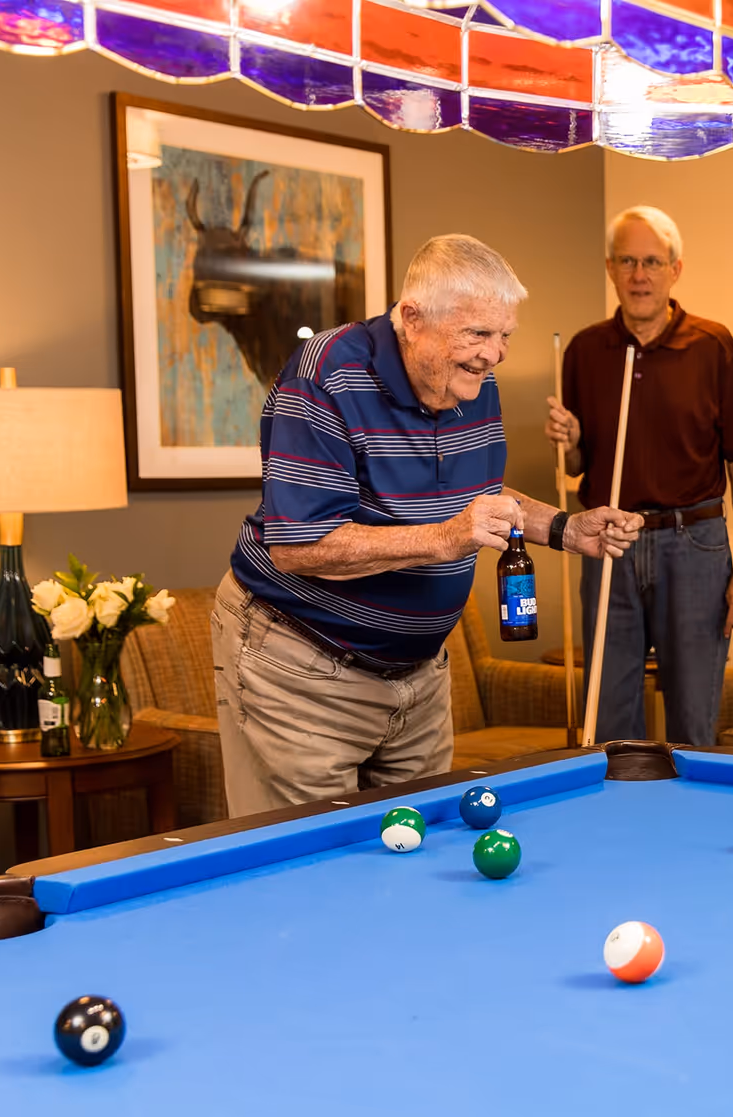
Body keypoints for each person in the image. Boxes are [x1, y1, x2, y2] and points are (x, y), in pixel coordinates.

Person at [213, 234, 642, 817]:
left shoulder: (471, 381)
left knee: (423, 855)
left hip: (419, 677)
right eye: (479, 334)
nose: (496, 355)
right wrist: (449, 536)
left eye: (505, 335)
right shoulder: (325, 376)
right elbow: (298, 545)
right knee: (312, 869)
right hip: (302, 669)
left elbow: (477, 498)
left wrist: (565, 528)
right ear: (412, 319)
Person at [545, 206, 733, 746]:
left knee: (693, 720)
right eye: (627, 261)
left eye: (651, 261)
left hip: (694, 543)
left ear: (675, 269)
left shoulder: (714, 346)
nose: (638, 275)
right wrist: (571, 445)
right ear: (610, 268)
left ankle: (691, 828)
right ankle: (620, 826)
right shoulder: (583, 350)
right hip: (609, 541)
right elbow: (577, 469)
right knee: (611, 721)